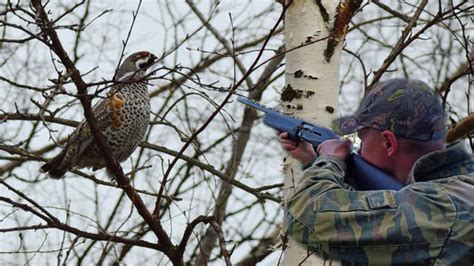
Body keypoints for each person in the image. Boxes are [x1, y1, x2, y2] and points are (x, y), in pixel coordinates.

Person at [280, 78, 474, 264]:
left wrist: (330, 160)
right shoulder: (455, 195)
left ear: (388, 143)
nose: (359, 150)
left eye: (362, 140)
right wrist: (314, 162)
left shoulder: (445, 207)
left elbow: (306, 217)